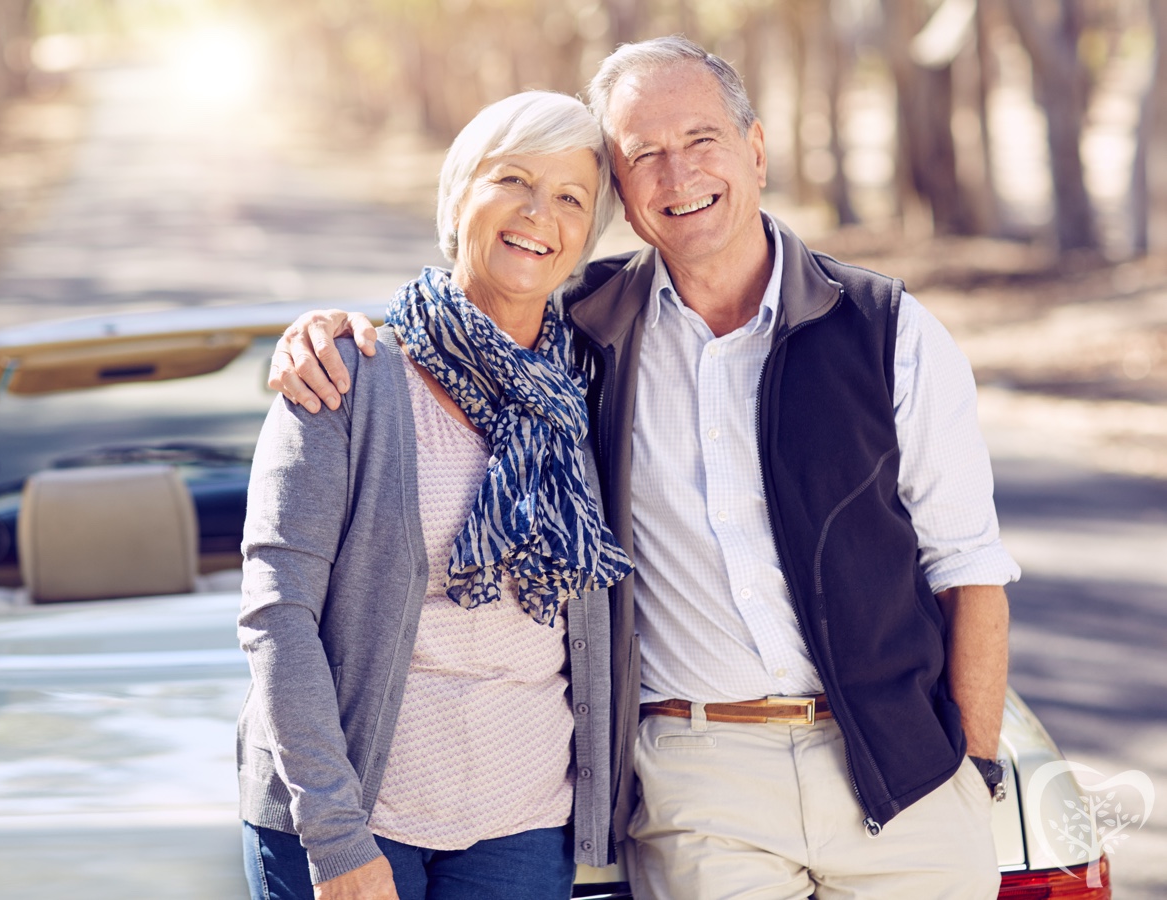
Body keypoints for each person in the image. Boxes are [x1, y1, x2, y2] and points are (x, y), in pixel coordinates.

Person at [267, 36, 1020, 900]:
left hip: (902, 778)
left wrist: (979, 769)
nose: (677, 175)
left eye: (702, 140)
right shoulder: (581, 337)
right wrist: (326, 332)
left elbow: (968, 567)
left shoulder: (889, 331)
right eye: (643, 157)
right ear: (623, 196)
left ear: (758, 150)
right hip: (700, 785)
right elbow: (462, 320)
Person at [238, 90, 632, 900]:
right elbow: (278, 616)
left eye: (569, 198)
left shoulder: (588, 387)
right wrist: (337, 840)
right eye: (512, 181)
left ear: (585, 238)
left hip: (523, 822)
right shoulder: (348, 375)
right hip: (354, 816)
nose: (537, 214)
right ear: (459, 197)